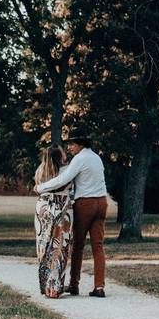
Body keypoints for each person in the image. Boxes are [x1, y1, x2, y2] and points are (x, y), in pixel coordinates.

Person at [34, 125, 108, 298]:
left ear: (80, 143)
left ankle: (74, 285)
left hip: (86, 204)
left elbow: (62, 180)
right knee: (98, 246)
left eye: (72, 144)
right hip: (102, 202)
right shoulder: (96, 158)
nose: (70, 147)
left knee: (78, 246)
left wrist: (40, 187)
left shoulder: (79, 159)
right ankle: (99, 287)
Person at [33, 145, 74, 298]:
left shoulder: (40, 170)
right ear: (60, 156)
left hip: (43, 206)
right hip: (62, 206)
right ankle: (55, 288)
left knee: (43, 244)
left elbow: (38, 188)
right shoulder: (67, 170)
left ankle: (45, 286)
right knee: (60, 246)